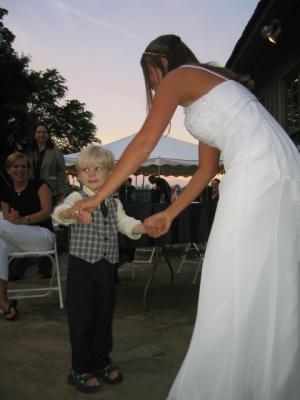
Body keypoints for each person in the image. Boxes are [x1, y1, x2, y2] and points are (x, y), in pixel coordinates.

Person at [71, 34, 300, 400]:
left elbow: (145, 141)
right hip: (282, 167)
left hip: (259, 170)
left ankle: (225, 383)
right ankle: (263, 377)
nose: (152, 86)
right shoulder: (206, 93)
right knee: (264, 275)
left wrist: (98, 196)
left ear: (160, 62)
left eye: (149, 77)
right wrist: (170, 212)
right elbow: (207, 170)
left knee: (229, 272)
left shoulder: (181, 75)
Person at [52, 144, 147, 394]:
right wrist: (73, 213)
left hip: (106, 267)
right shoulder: (76, 197)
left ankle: (101, 360)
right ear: (78, 175)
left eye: (98, 168)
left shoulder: (114, 203)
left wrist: (143, 228)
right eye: (85, 169)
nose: (91, 173)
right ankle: (80, 368)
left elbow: (125, 224)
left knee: (104, 315)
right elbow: (58, 214)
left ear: (110, 173)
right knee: (82, 317)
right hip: (82, 267)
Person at [0, 152, 54, 320]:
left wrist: (23, 219)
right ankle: (3, 303)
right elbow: (7, 221)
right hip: (18, 239)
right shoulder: (6, 194)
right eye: (15, 166)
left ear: (29, 170)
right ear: (9, 170)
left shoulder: (40, 185)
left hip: (42, 237)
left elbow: (47, 211)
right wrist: (12, 219)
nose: (20, 170)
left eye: (24, 166)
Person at [28, 122, 68, 277]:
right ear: (34, 134)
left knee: (46, 228)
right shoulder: (29, 152)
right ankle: (17, 267)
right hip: (30, 193)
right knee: (27, 225)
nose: (41, 135)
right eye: (38, 132)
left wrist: (62, 195)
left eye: (44, 132)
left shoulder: (55, 152)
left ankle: (45, 268)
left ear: (48, 135)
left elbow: (61, 174)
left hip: (49, 193)